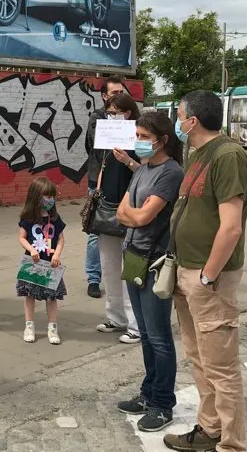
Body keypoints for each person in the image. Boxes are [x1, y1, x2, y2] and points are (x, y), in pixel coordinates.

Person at [163, 90, 247, 452]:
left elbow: (231, 226)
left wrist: (207, 275)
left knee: (222, 367)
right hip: (188, 273)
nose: (178, 122)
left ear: (193, 121)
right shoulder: (198, 153)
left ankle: (232, 445)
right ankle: (209, 428)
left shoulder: (228, 155)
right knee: (199, 358)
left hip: (209, 278)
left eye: (180, 116)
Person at [115, 111, 185, 433]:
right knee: (144, 333)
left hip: (156, 261)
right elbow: (122, 212)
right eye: (138, 136)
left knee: (159, 337)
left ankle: (162, 403)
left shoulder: (171, 173)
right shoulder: (143, 169)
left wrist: (134, 215)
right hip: (132, 255)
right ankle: (147, 393)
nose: (139, 143)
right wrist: (133, 215)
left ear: (163, 140)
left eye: (144, 137)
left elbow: (142, 217)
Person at [95, 92, 142, 344]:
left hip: (132, 209)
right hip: (107, 208)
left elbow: (147, 171)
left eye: (116, 112)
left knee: (130, 269)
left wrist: (127, 161)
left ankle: (136, 324)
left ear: (128, 113)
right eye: (109, 112)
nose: (112, 116)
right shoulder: (108, 138)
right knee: (108, 266)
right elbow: (102, 169)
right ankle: (115, 317)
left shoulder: (139, 137)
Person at [84, 77, 128, 298]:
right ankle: (93, 278)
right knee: (96, 231)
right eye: (114, 93)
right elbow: (95, 142)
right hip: (100, 182)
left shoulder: (131, 117)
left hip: (124, 183)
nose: (118, 95)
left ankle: (121, 275)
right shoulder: (97, 117)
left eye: (121, 91)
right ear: (104, 96)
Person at [17, 177, 67, 345]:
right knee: (29, 296)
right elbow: (22, 237)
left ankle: (52, 328)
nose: (50, 200)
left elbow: (60, 239)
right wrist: (31, 250)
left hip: (50, 263)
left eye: (52, 196)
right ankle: (29, 326)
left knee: (51, 297)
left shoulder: (55, 219)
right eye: (47, 196)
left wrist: (57, 254)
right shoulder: (28, 218)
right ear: (36, 197)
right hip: (33, 263)